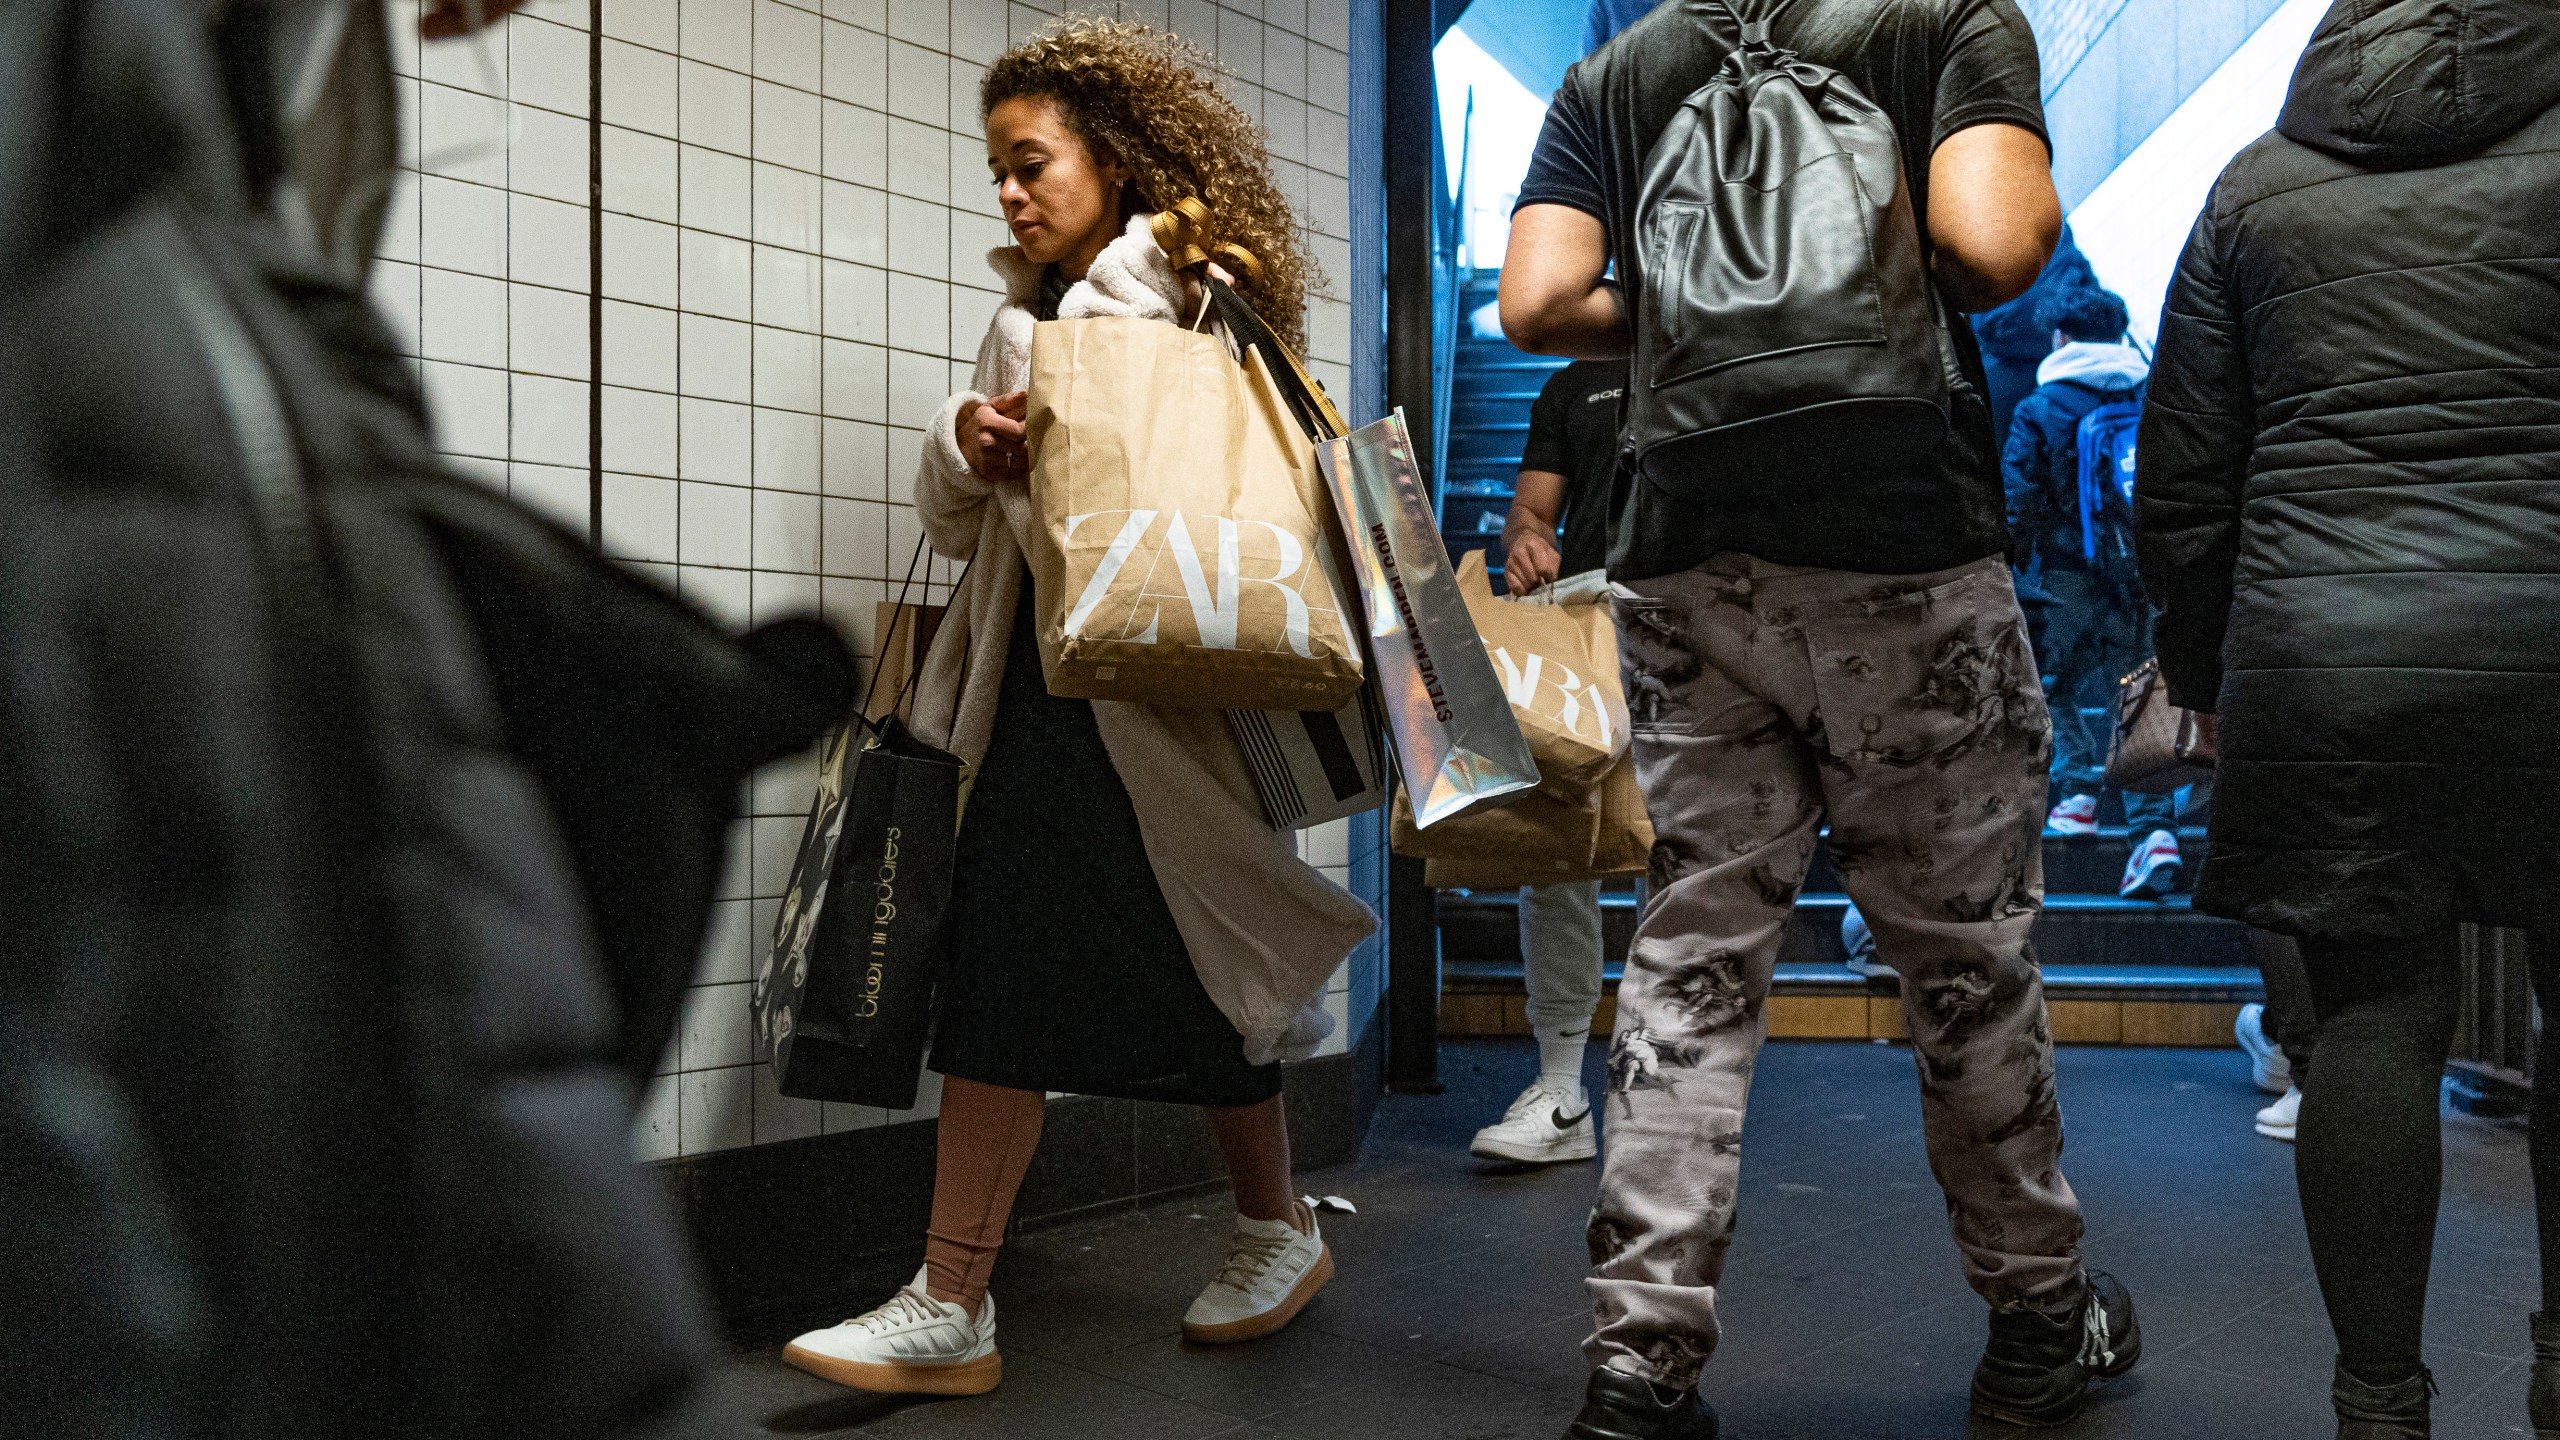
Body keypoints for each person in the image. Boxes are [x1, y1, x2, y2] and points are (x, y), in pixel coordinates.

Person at [1501, 4, 2139, 1435]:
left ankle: (1637, 1364)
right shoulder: (1942, 21)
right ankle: (2039, 1320)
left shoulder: (1619, 72)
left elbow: (1539, 306)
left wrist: (1701, 311)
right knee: (1962, 958)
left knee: (1693, 952)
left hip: (1685, 558)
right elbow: (1994, 245)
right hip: (1900, 548)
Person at [777, 19, 1376, 1400]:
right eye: (995, 168)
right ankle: (962, 1293)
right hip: (1038, 699)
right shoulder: (1024, 318)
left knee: (1203, 979)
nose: (1007, 191)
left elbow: (1242, 487)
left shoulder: (1203, 297)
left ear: (1113, 155)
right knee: (1018, 967)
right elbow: (952, 527)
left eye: (1029, 161)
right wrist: (964, 441)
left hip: (1166, 709)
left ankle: (1257, 1237)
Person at [2135, 2, 2560, 1434]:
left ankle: (2380, 1405)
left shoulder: (2258, 186)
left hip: (2331, 664)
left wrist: (2205, 673)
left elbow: (2186, 478)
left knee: (2373, 1021)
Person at [1472, 358, 1633, 1166]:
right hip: (1590, 616)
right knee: (1560, 845)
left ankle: (1676, 1090)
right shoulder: (1577, 383)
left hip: (1717, 617)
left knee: (1701, 855)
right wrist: (1528, 539)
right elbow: (1532, 511)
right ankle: (1562, 1092)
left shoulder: (1738, 332)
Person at [2000, 284, 2183, 898]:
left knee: (2065, 686)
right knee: (2140, 692)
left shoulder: (2044, 404)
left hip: (2067, 576)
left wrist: (2015, 567)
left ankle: (2077, 796)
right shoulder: (2149, 391)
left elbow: (2017, 497)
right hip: (2141, 572)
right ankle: (2153, 832)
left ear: (2062, 336)